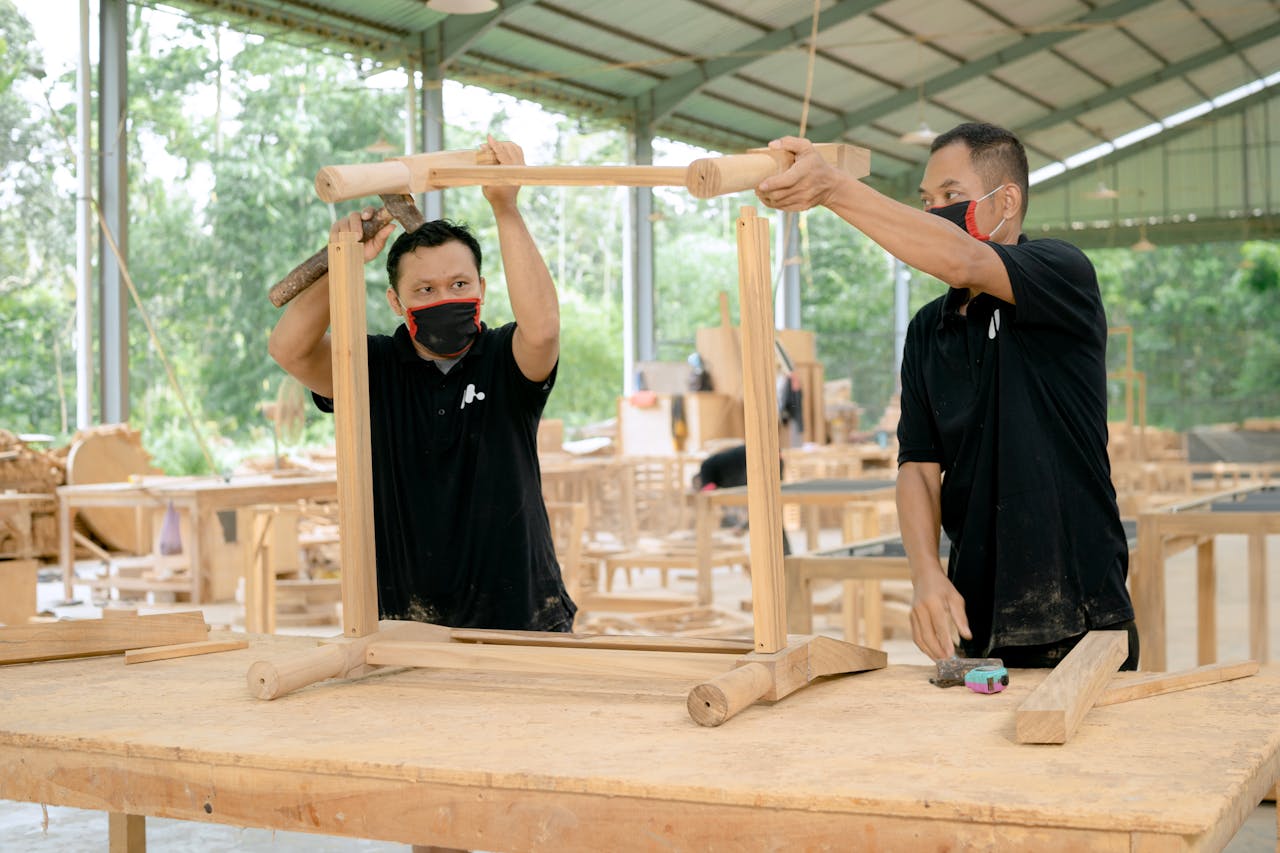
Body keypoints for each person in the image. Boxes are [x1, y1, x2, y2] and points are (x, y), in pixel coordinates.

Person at [755, 123, 1137, 670]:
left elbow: (964, 261)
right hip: (972, 619)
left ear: (1008, 199)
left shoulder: (1061, 275)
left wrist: (833, 188)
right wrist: (927, 575)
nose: (935, 213)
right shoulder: (928, 329)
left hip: (1082, 614)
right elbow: (917, 466)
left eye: (952, 197)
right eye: (927, 201)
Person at [268, 135, 576, 633]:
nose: (445, 298)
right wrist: (342, 259)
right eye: (424, 290)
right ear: (397, 302)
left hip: (520, 620)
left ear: (481, 289)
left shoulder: (504, 360)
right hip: (403, 627)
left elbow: (542, 330)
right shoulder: (373, 366)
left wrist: (506, 208)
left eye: (459, 285)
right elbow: (290, 350)